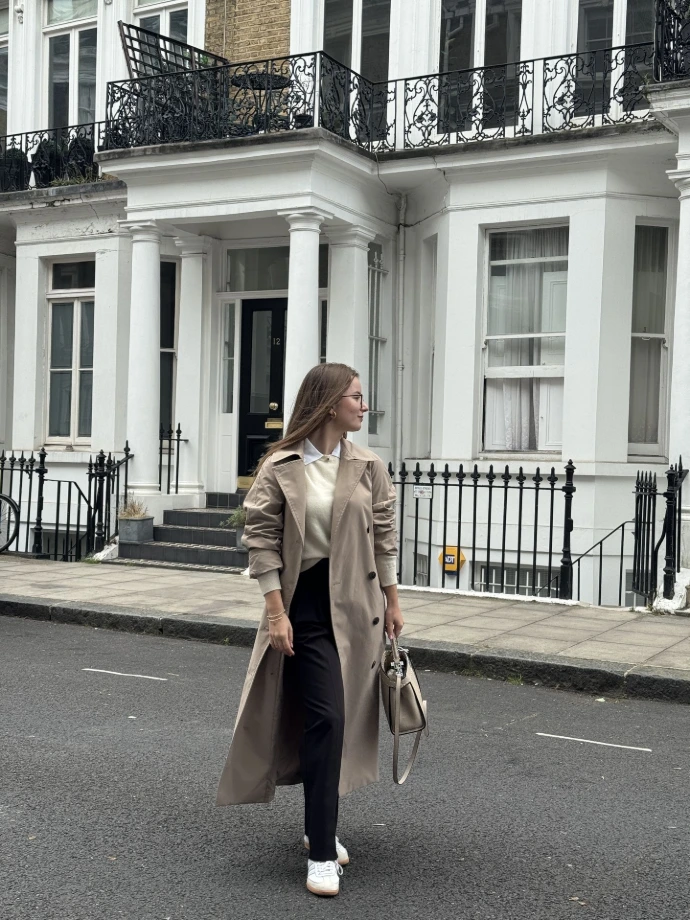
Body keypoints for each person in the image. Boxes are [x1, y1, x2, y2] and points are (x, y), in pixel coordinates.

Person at [217, 362, 403, 897]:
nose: (364, 406)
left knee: (332, 723)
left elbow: (384, 537)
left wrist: (393, 601)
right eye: (356, 397)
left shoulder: (368, 465)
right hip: (304, 607)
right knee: (327, 718)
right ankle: (321, 853)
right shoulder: (282, 465)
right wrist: (276, 613)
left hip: (357, 607)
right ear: (328, 404)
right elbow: (261, 540)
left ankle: (316, 825)